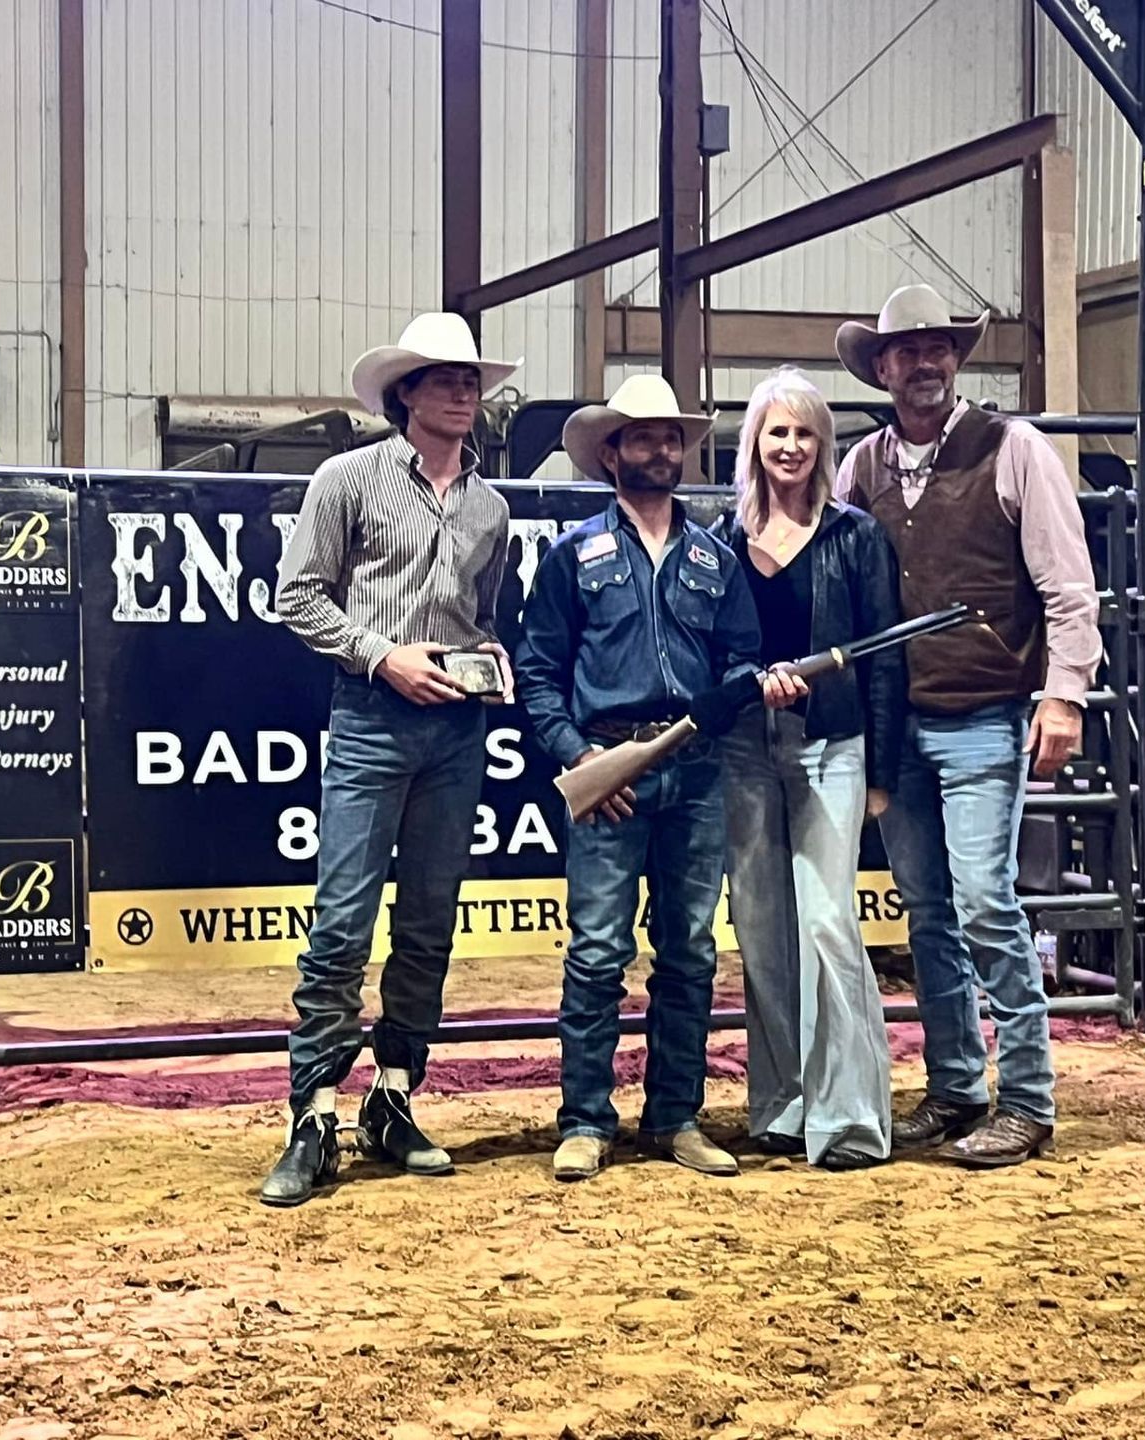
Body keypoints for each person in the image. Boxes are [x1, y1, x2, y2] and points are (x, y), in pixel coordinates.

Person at [834, 284, 1102, 1169]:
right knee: (928, 911)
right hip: (895, 719)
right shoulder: (860, 468)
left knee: (984, 901)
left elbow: (1067, 587)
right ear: (881, 368)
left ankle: (1027, 1098)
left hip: (985, 712)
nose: (926, 362)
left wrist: (1063, 692)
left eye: (939, 347)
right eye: (907, 350)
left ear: (956, 358)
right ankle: (957, 1088)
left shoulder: (1014, 449)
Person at [259, 312, 521, 1207]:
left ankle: (394, 1095)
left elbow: (484, 613)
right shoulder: (347, 480)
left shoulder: (493, 507)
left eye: (471, 380)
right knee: (341, 921)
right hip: (371, 716)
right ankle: (312, 1113)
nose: (462, 392)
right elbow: (294, 598)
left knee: (428, 925)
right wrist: (382, 656)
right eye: (444, 378)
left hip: (456, 728)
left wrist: (488, 659)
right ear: (406, 391)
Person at [515, 375, 794, 1183]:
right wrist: (581, 761)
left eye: (672, 437)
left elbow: (739, 656)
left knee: (691, 954)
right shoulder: (572, 557)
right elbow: (538, 671)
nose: (663, 450)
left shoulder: (715, 557)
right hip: (609, 773)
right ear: (612, 453)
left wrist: (747, 685)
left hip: (696, 772)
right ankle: (586, 1120)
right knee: (598, 952)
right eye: (644, 437)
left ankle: (675, 1115)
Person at [708, 367, 907, 1170]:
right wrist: (746, 684)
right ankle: (782, 1106)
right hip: (744, 753)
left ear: (824, 445)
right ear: (753, 442)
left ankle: (851, 1118)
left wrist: (882, 772)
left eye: (804, 432)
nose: (789, 446)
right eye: (776, 431)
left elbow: (887, 661)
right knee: (760, 931)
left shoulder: (856, 537)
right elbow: (710, 653)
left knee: (828, 924)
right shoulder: (718, 541)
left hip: (833, 747)